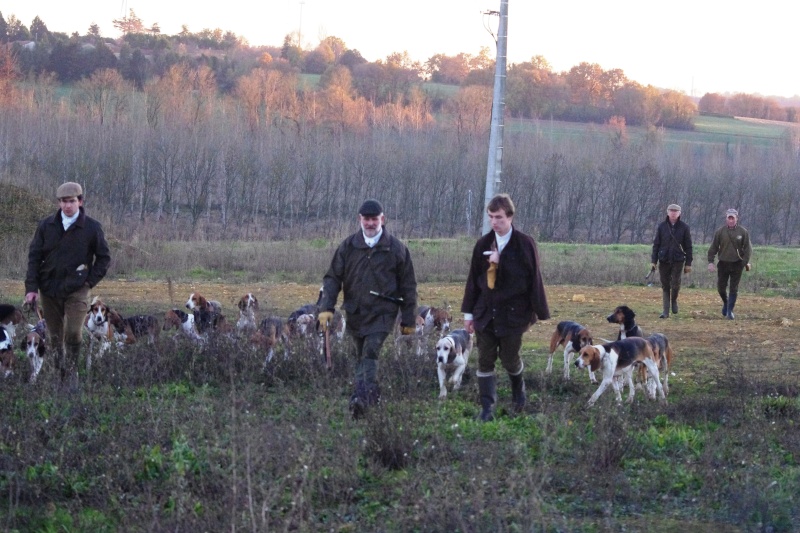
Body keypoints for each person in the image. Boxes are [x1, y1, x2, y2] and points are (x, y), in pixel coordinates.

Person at [318, 199, 418, 418]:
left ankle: (361, 400)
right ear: (359, 219)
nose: (371, 223)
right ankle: (370, 396)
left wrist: (408, 320)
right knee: (359, 356)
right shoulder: (348, 246)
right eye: (367, 219)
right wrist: (327, 307)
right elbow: (333, 278)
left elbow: (409, 286)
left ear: (382, 219)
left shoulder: (396, 249)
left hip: (383, 313)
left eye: (375, 219)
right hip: (355, 312)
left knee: (371, 351)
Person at [461, 194, 550, 421]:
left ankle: (518, 395)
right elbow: (473, 281)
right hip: (485, 313)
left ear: (510, 216)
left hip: (513, 314)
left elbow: (532, 279)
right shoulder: (482, 244)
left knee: (510, 358)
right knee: (485, 359)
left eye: (498, 217)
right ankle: (487, 409)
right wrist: (469, 314)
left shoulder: (525, 244)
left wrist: (539, 311)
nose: (494, 222)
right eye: (490, 217)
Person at [24, 182, 111, 387]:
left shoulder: (91, 227)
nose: (67, 206)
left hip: (77, 290)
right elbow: (34, 257)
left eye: (71, 201)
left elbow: (104, 258)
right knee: (54, 338)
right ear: (59, 203)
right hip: (49, 289)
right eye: (63, 201)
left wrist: (89, 282)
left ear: (80, 202)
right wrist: (31, 289)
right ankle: (59, 375)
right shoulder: (46, 226)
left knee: (73, 333)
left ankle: (72, 373)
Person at [707, 208, 751, 320]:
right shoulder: (720, 232)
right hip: (723, 263)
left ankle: (730, 311)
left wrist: (743, 263)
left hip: (737, 264)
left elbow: (748, 249)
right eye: (729, 218)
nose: (731, 220)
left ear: (737, 219)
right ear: (726, 218)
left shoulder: (743, 232)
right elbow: (713, 247)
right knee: (721, 288)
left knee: (733, 288)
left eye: (733, 218)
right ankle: (726, 304)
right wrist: (711, 262)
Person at [651, 203, 693, 318]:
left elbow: (688, 246)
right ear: (667, 212)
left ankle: (674, 300)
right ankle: (665, 311)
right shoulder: (661, 227)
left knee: (675, 284)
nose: (673, 213)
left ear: (679, 213)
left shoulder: (684, 227)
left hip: (678, 260)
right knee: (665, 285)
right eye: (671, 211)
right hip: (663, 259)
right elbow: (656, 245)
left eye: (676, 211)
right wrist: (654, 261)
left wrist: (688, 263)